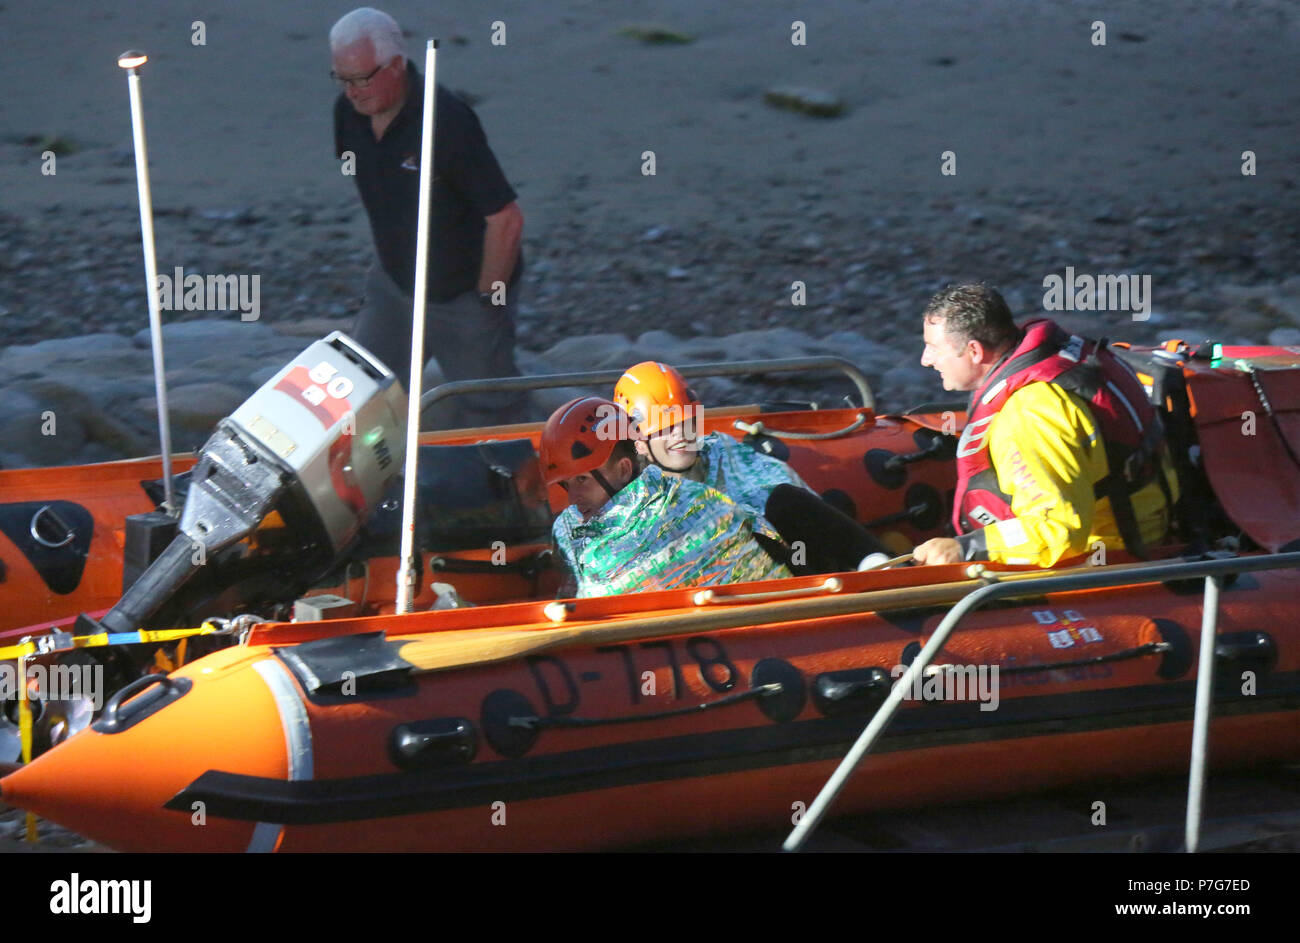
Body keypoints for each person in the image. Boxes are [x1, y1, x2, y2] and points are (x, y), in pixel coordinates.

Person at [330, 8, 525, 428]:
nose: (352, 92)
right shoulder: (348, 116)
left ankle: (517, 486)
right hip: (393, 285)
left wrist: (487, 300)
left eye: (362, 78)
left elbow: (505, 219)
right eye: (342, 79)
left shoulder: (447, 122)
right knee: (361, 396)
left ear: (397, 64)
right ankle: (376, 484)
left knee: (491, 411)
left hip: (461, 296)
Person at [913, 284, 1178, 567]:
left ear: (975, 351)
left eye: (933, 348)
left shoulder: (1029, 414)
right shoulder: (1060, 355)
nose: (925, 360)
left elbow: (1059, 532)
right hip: (1141, 516)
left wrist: (966, 548)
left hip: (1102, 555)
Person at [612, 361, 890, 573]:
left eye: (687, 421)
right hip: (703, 597)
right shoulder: (626, 497)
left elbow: (787, 494)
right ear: (638, 441)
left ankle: (883, 569)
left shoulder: (726, 454)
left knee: (785, 502)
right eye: (666, 428)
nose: (680, 434)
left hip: (785, 575)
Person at [541, 396, 792, 598]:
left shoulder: (695, 507)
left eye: (582, 480)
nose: (572, 498)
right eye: (566, 484)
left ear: (623, 470)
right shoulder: (567, 529)